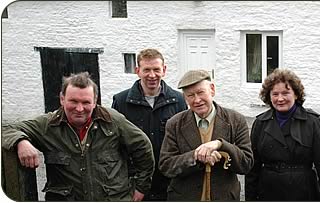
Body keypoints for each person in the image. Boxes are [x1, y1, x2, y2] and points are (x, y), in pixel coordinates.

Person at [2, 72, 155, 201]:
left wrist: (141, 187)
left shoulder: (113, 121)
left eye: (86, 102)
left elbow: (143, 147)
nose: (80, 109)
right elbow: (6, 128)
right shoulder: (48, 125)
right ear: (62, 99)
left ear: (95, 102)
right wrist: (20, 141)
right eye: (73, 101)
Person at [245, 68, 320, 201]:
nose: (280, 98)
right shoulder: (260, 123)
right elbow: (252, 170)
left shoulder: (313, 123)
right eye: (275, 94)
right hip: (268, 193)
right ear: (268, 96)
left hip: (304, 193)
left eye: (285, 93)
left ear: (296, 94)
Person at [158, 69, 254, 201]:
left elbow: (246, 163)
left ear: (212, 90)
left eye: (200, 92)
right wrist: (196, 157)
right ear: (184, 98)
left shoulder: (236, 120)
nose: (197, 100)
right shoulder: (174, 124)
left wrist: (221, 145)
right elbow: (166, 166)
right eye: (190, 95)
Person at [111, 48, 187, 201]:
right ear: (138, 71)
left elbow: (183, 142)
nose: (152, 75)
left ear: (164, 70)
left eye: (156, 69)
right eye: (147, 70)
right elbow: (114, 146)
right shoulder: (121, 102)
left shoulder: (179, 101)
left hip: (169, 183)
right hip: (134, 184)